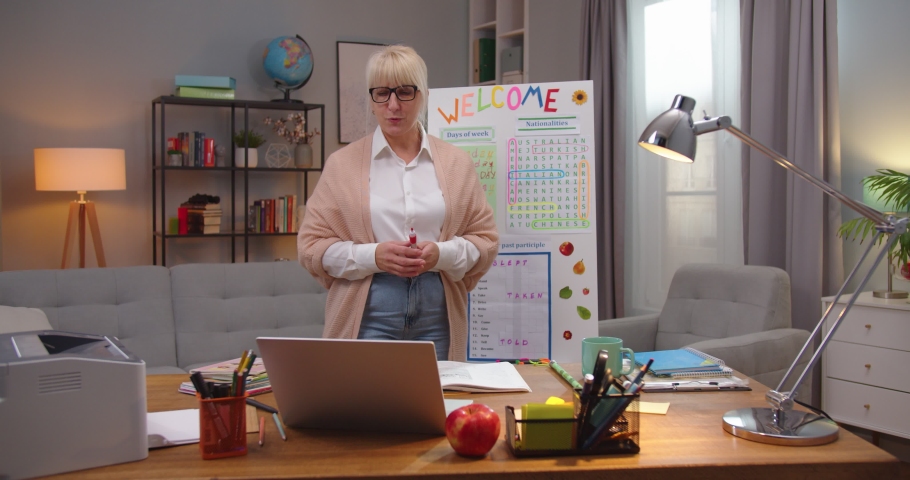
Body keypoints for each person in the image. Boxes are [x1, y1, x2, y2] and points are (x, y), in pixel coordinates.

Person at [298, 45, 498, 361]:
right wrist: (374, 256)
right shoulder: (342, 164)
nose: (393, 105)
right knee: (363, 393)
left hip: (439, 313)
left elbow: (485, 242)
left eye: (405, 92)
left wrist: (441, 254)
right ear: (371, 100)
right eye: (382, 93)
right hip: (369, 312)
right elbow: (311, 249)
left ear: (424, 96)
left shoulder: (457, 163)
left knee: (437, 393)